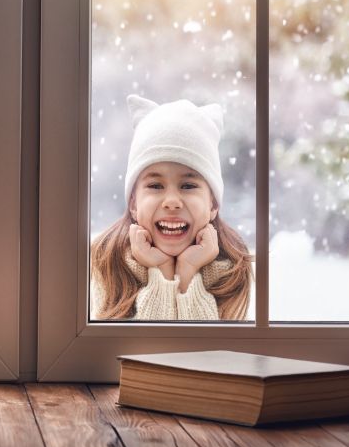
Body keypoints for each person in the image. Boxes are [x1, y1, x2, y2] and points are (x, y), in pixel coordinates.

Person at [90, 95, 252, 321]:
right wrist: (163, 272)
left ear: (213, 204)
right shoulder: (107, 261)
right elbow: (143, 353)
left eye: (188, 185)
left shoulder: (230, 269)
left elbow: (207, 354)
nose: (172, 201)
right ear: (134, 203)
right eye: (155, 186)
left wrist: (187, 274)